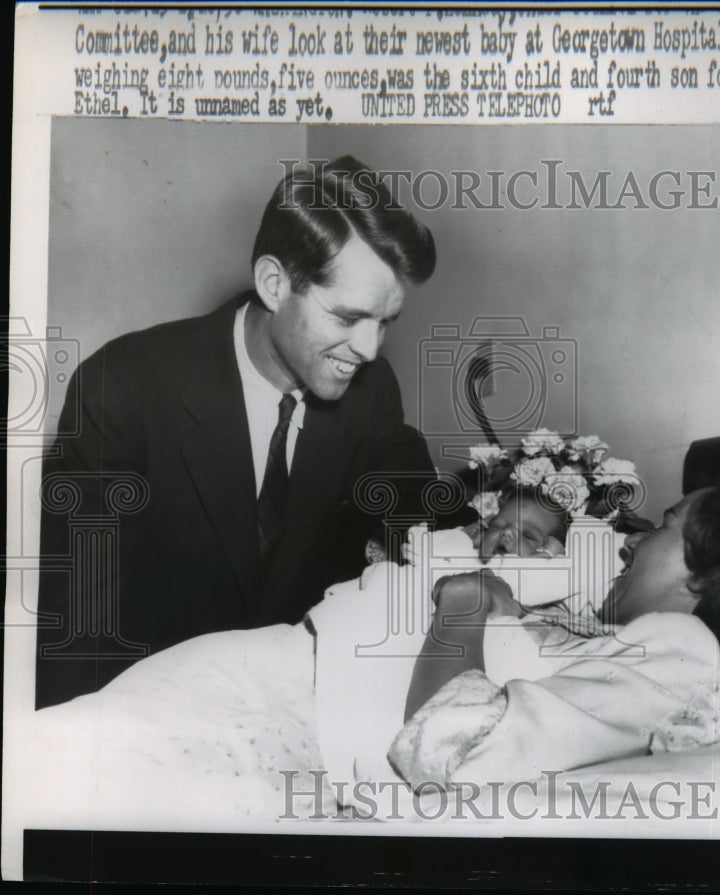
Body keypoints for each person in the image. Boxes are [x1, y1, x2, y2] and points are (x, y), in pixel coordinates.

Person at [36, 156, 439, 709]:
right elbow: (75, 623)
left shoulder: (371, 389)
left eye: (386, 321)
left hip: (299, 699)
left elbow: (418, 503)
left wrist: (506, 526)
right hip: (151, 707)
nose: (369, 350)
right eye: (347, 318)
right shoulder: (122, 389)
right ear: (274, 284)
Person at [390, 457, 720, 786]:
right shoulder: (616, 637)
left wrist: (464, 601)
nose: (631, 542)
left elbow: (448, 748)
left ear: (709, 572)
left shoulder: (682, 646)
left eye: (663, 525)